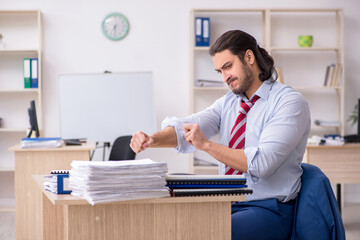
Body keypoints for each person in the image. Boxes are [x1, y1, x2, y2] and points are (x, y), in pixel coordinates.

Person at [130, 30, 311, 240]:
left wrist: (207, 146)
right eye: (220, 71)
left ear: (249, 57)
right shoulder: (230, 102)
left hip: (270, 209)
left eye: (228, 66)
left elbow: (261, 164)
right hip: (228, 202)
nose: (225, 77)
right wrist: (153, 139)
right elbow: (189, 126)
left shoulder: (289, 102)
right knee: (171, 225)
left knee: (205, 233)